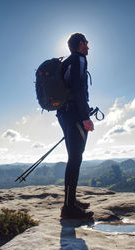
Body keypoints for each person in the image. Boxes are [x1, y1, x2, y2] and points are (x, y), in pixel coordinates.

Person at [57, 33, 94, 219]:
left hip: (63, 114)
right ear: (80, 44)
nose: (88, 47)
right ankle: (69, 208)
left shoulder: (66, 62)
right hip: (74, 115)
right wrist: (85, 117)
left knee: (73, 157)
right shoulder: (79, 60)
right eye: (87, 43)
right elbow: (78, 88)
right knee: (75, 159)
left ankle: (70, 202)